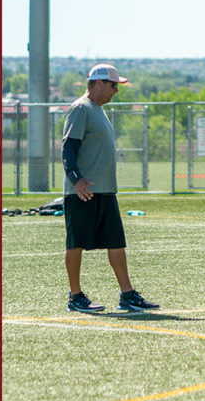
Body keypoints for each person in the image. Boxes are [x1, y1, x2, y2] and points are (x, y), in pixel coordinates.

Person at [61, 63, 160, 313]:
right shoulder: (81, 108)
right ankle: (75, 297)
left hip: (104, 190)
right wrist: (76, 179)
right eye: (113, 85)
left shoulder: (98, 109)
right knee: (76, 244)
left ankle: (127, 295)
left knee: (116, 242)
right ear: (98, 83)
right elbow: (68, 148)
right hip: (83, 191)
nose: (115, 90)